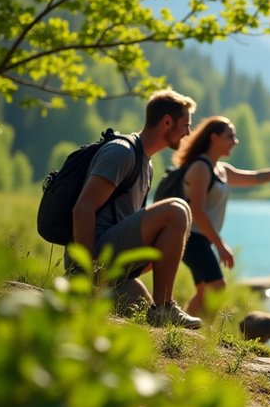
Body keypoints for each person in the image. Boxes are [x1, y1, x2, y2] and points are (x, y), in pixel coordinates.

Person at [71, 89, 202, 329]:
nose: (188, 132)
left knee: (149, 321)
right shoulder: (122, 152)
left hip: (117, 268)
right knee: (177, 209)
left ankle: (158, 310)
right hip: (94, 260)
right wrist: (90, 273)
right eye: (185, 125)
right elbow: (83, 209)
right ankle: (164, 307)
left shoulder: (146, 164)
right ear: (166, 122)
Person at [170, 115, 270, 316]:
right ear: (214, 138)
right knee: (217, 287)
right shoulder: (201, 168)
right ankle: (203, 334)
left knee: (204, 290)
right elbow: (197, 211)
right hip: (192, 238)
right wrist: (220, 245)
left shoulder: (221, 170)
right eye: (230, 136)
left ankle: (184, 329)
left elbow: (256, 178)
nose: (235, 142)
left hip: (203, 238)